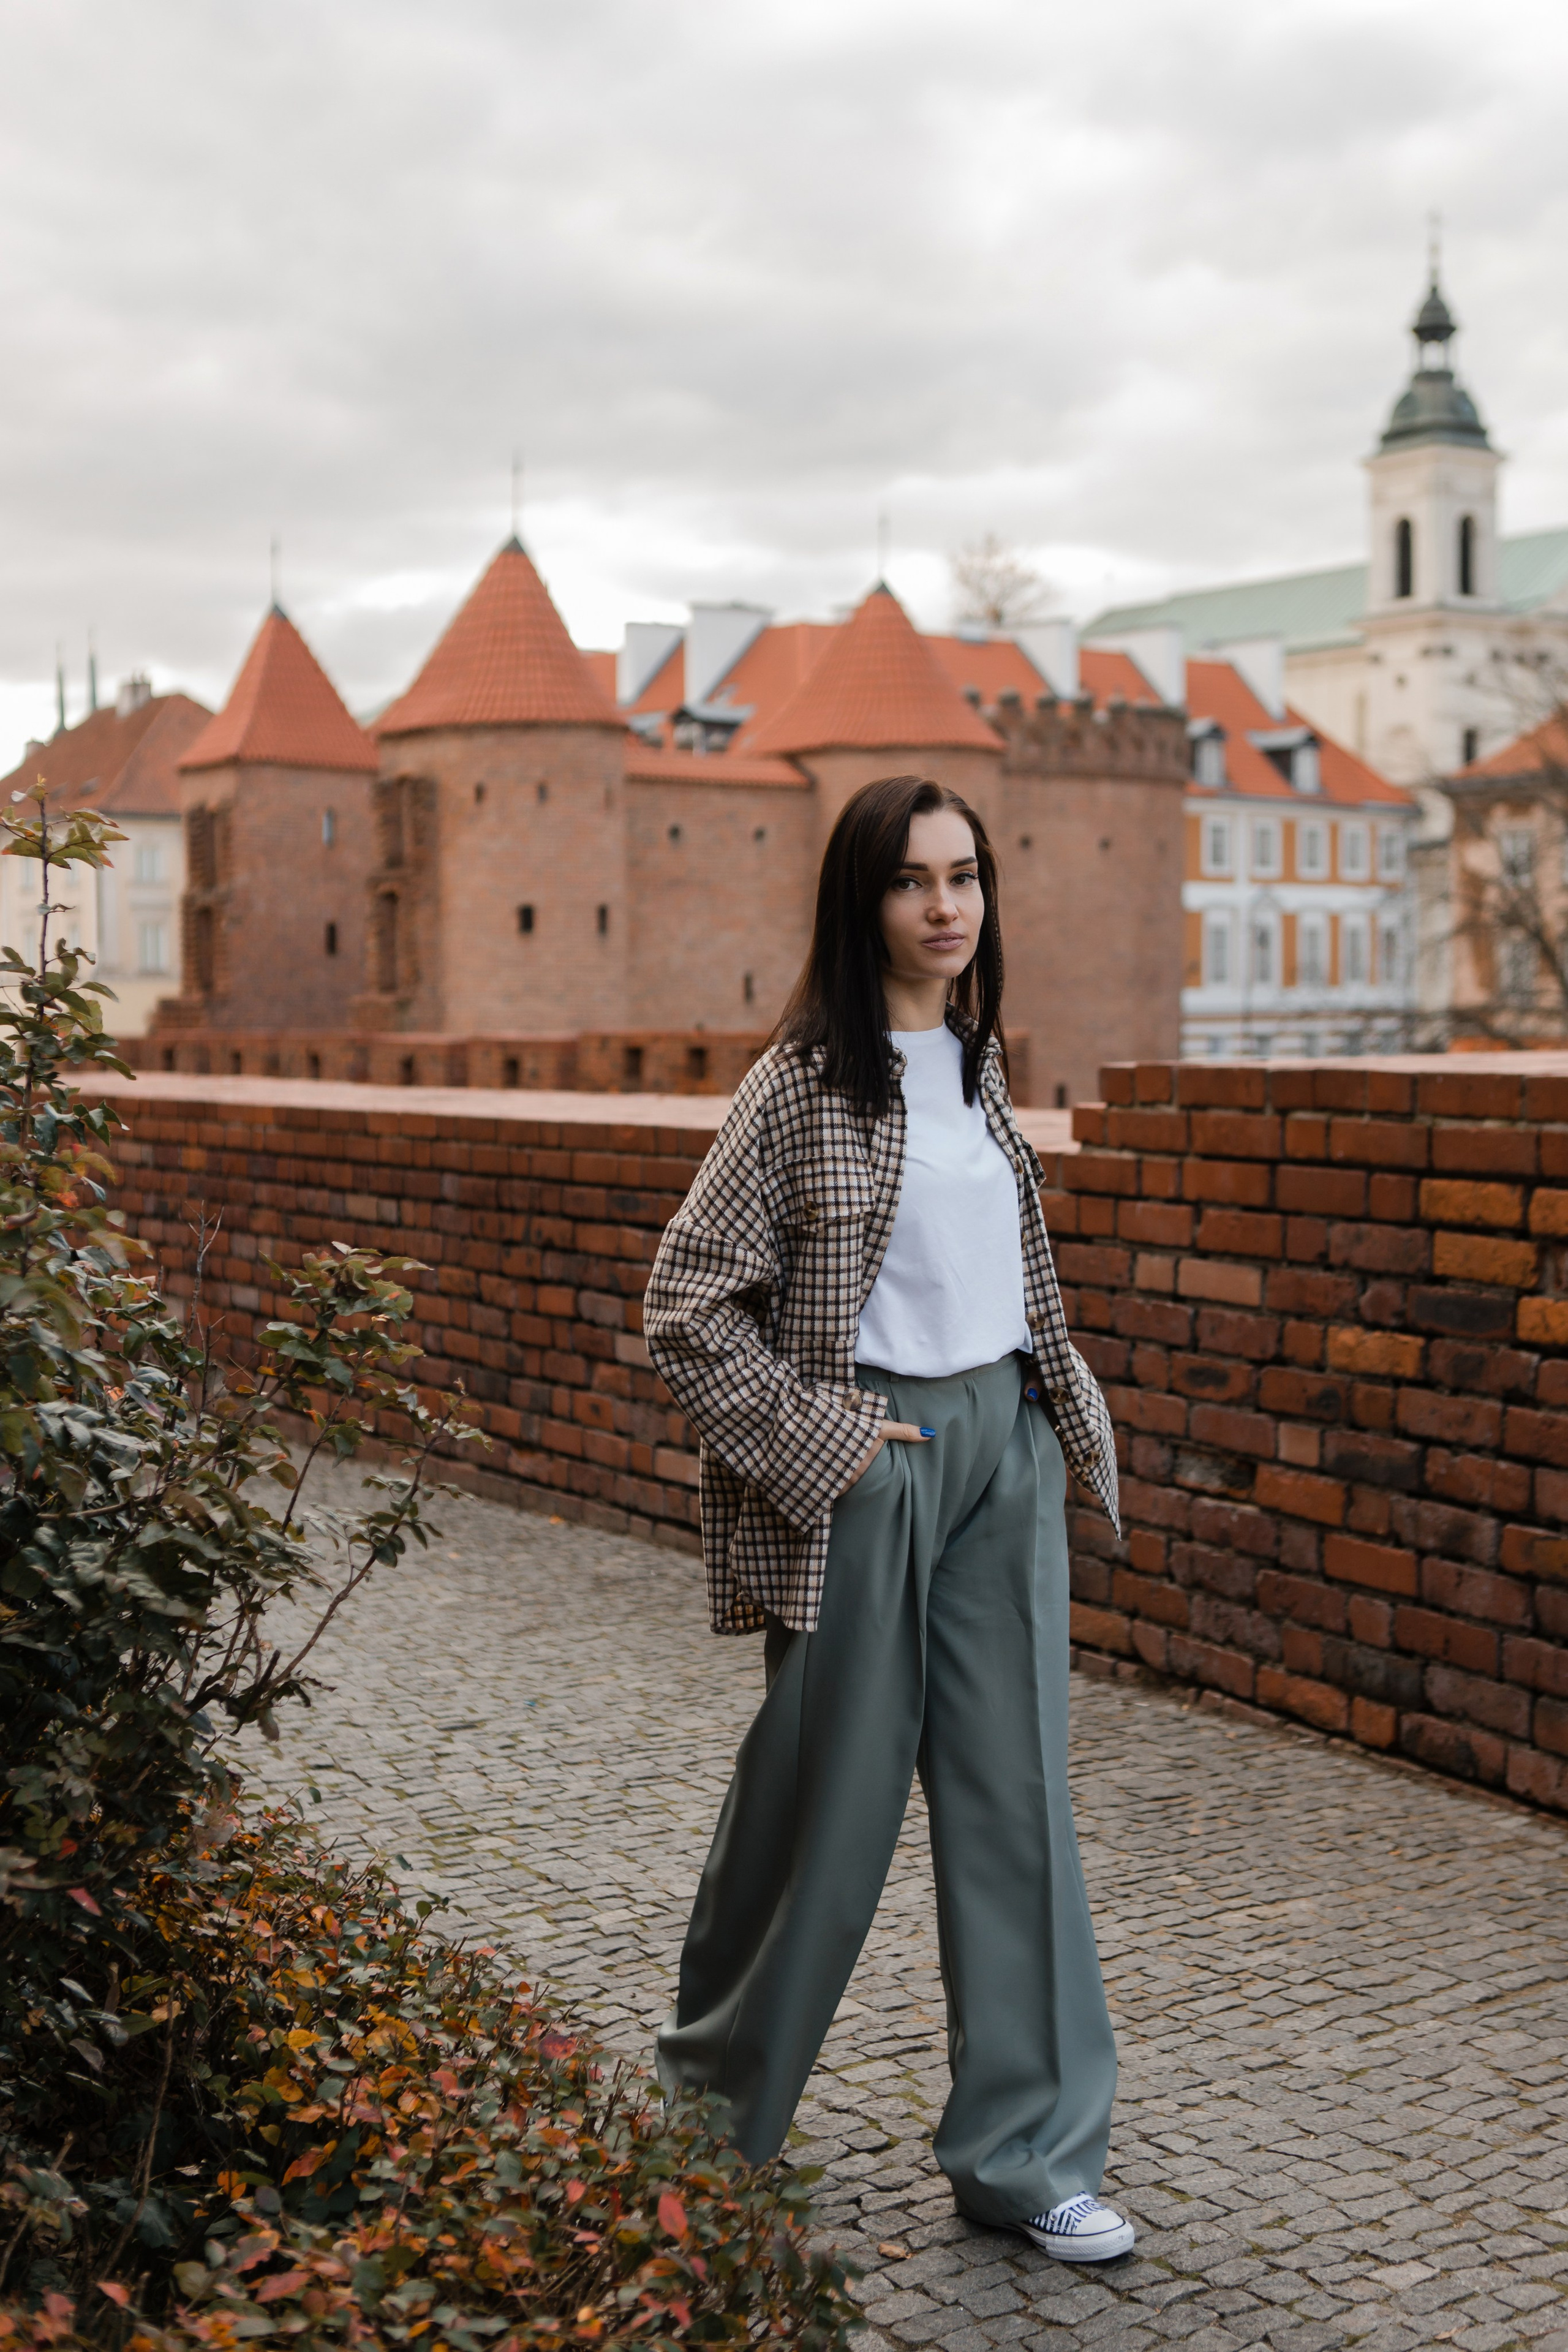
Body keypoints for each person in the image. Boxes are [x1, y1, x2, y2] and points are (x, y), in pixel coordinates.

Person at [641, 773, 1133, 2264]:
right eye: (913, 880)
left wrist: (1042, 1416)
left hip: (1003, 1452)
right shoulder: (798, 1086)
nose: (944, 906)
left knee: (1013, 1804)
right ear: (861, 903)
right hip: (869, 1458)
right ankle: (705, 2133)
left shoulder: (980, 1067)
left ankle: (1024, 2154)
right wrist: (828, 1444)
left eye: (963, 876)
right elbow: (685, 1303)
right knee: (821, 1809)